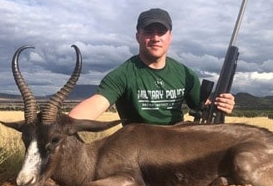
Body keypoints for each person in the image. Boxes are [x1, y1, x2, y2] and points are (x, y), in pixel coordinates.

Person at [69, 8, 235, 125]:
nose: (156, 38)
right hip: (138, 148)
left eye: (161, 32)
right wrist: (63, 124)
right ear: (138, 36)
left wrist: (222, 104)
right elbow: (96, 104)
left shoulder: (185, 74)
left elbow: (204, 107)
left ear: (170, 37)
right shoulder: (122, 75)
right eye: (149, 32)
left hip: (178, 142)